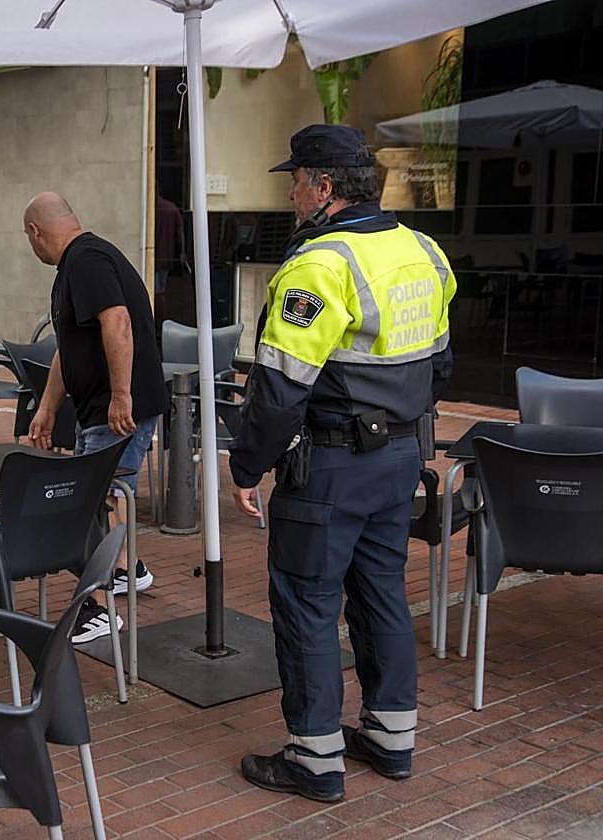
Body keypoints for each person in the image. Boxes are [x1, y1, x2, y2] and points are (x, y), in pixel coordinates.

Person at [230, 125, 457, 803]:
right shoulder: (424, 251)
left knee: (307, 602)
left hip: (329, 466)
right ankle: (391, 740)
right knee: (383, 592)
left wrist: (247, 467)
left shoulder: (317, 265)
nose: (291, 193)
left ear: (324, 188)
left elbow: (277, 390)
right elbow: (440, 363)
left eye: (295, 179)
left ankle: (314, 757)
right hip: (398, 459)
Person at [24, 192, 168, 644]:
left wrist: (121, 394)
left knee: (93, 502)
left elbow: (118, 321)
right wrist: (47, 409)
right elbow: (69, 350)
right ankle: (127, 568)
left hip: (117, 407)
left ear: (35, 232)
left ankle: (98, 604)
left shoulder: (86, 259)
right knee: (111, 492)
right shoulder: (79, 263)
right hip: (104, 406)